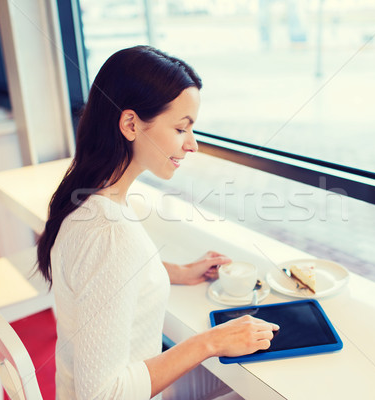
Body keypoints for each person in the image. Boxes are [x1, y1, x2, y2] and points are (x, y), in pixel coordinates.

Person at [36, 45, 279, 400]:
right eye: (181, 129)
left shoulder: (87, 200)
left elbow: (101, 274)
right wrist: (209, 342)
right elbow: (103, 395)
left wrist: (174, 271)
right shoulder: (110, 233)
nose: (192, 145)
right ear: (131, 124)